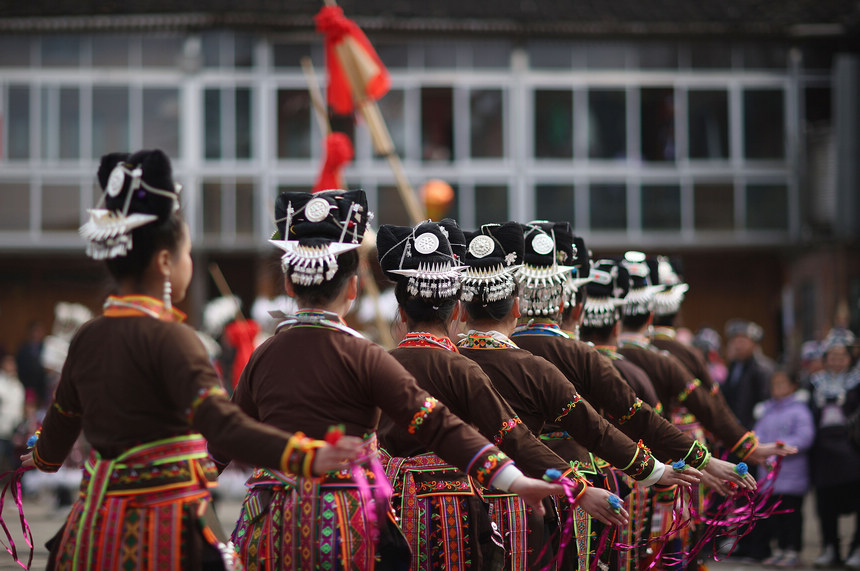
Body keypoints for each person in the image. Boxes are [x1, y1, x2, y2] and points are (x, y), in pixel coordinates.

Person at [18, 150, 359, 571]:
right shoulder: (176, 340)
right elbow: (224, 425)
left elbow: (63, 419)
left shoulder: (88, 337)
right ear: (166, 262)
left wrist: (43, 456)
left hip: (93, 526)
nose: (189, 263)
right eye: (187, 253)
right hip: (162, 527)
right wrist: (303, 455)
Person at [209, 191, 565, 570]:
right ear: (353, 288)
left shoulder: (263, 355)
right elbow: (436, 423)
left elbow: (223, 440)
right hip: (337, 528)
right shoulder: (364, 357)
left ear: (289, 285)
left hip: (269, 526)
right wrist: (514, 480)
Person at [377, 219, 627, 570]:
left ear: (401, 312)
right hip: (452, 513)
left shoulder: (376, 364)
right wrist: (580, 488)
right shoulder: (463, 369)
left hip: (389, 511)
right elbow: (514, 437)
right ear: (457, 309)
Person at [455, 223, 698, 570]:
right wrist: (668, 466)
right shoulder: (541, 365)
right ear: (517, 307)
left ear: (462, 310)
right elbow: (598, 427)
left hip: (451, 503)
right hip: (531, 498)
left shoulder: (445, 363)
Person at [752, 368, 815, 567]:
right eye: (774, 384)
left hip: (792, 476)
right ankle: (779, 549)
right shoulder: (766, 410)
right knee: (773, 517)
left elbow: (804, 437)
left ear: (793, 386)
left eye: (782, 384)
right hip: (769, 476)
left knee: (791, 516)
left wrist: (777, 449)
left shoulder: (799, 410)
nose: (777, 388)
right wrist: (759, 449)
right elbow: (756, 435)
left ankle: (793, 550)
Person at [808, 328, 860, 568]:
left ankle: (857, 548)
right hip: (823, 451)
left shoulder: (857, 381)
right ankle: (830, 547)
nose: (837, 360)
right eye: (832, 355)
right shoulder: (815, 382)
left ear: (850, 357)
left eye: (842, 355)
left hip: (853, 449)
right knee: (825, 503)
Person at [723, 318, 775, 430]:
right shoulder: (734, 365)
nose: (738, 346)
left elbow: (765, 401)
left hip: (754, 427)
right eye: (735, 341)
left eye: (742, 341)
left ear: (754, 344)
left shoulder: (762, 368)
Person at [0, 353, 25, 472]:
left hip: (14, 433)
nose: (12, 366)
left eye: (13, 363)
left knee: (14, 465)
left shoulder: (18, 385)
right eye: (8, 363)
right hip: (1, 431)